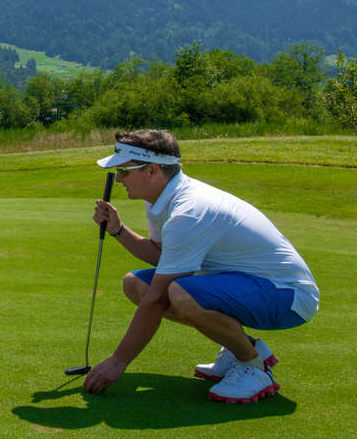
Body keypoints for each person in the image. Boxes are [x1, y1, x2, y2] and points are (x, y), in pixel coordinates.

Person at [83, 129, 319, 403]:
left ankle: (253, 366)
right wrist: (118, 230)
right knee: (135, 284)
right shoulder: (161, 200)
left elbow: (159, 296)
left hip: (288, 296)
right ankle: (242, 347)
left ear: (153, 171)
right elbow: (163, 256)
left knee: (180, 293)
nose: (120, 180)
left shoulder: (189, 210)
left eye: (125, 172)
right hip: (247, 286)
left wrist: (118, 361)